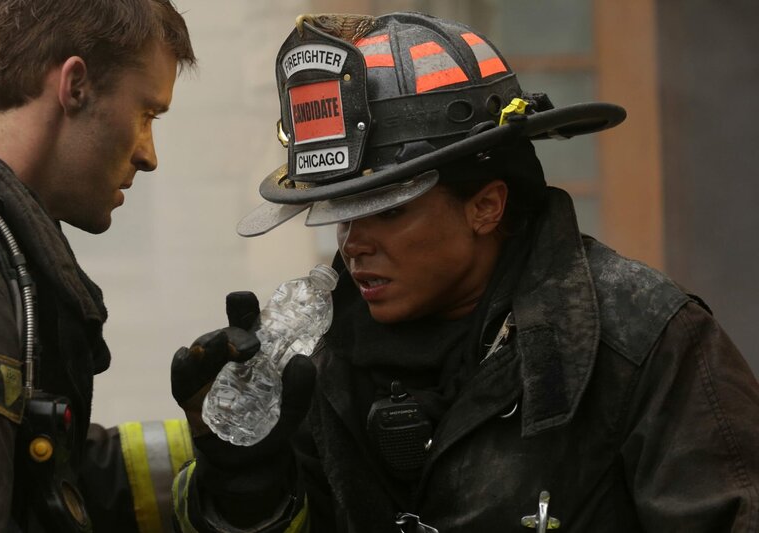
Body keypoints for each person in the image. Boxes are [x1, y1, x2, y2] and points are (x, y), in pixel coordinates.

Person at [169, 11, 759, 533]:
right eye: (342, 217)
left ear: (486, 206)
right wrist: (246, 492)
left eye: (388, 211)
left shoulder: (645, 343)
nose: (353, 245)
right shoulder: (316, 364)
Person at [0, 1, 199, 531]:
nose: (149, 154)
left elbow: (39, 473)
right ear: (75, 86)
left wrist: (223, 452)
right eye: (146, 113)